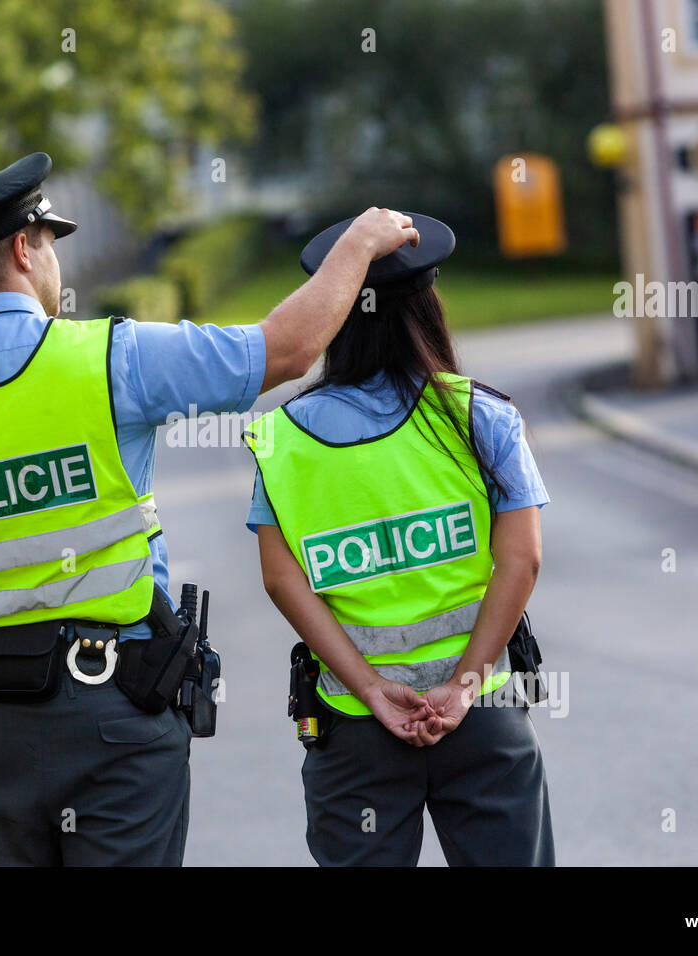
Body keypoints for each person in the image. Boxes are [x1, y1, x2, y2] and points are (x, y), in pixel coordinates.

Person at [0, 150, 419, 866]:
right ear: (24, 249)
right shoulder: (110, 358)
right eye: (51, 242)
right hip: (113, 716)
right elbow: (287, 351)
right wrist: (358, 244)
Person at [244, 213, 555, 867]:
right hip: (482, 716)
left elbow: (281, 579)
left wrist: (369, 689)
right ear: (428, 307)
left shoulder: (282, 438)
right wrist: (464, 685)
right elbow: (522, 560)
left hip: (357, 730)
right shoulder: (481, 416)